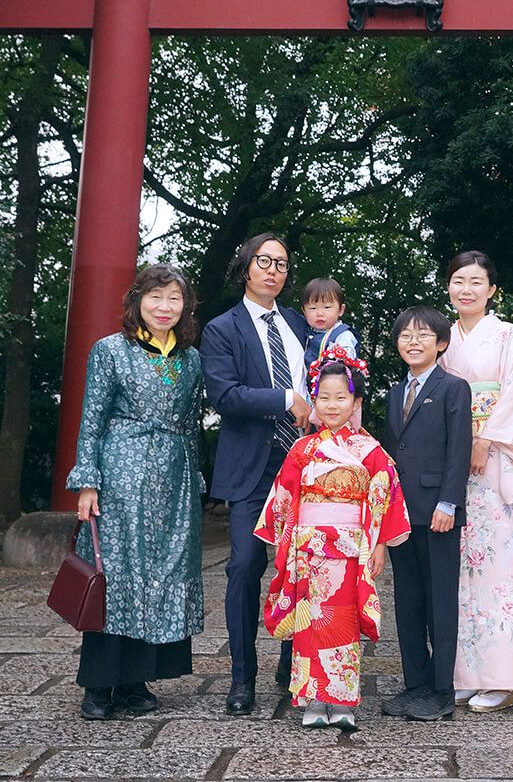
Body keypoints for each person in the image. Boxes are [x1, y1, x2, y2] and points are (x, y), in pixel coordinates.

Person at [67, 264, 204, 721]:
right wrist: (87, 481)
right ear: (137, 301)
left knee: (161, 575)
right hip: (121, 475)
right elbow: (92, 421)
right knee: (119, 575)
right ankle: (99, 686)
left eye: (174, 299)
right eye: (155, 298)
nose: (164, 307)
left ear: (185, 306)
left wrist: (196, 478)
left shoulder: (190, 358)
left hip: (172, 479)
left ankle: (134, 680)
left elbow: (192, 426)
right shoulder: (110, 351)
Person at [254, 347, 410, 730]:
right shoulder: (302, 449)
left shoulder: (370, 451)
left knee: (341, 623)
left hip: (349, 552)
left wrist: (379, 545)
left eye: (342, 397)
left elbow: (383, 498)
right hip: (308, 551)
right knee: (309, 624)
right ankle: (311, 699)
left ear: (356, 401)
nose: (332, 404)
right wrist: (286, 543)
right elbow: (286, 499)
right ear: (314, 400)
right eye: (324, 397)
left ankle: (341, 700)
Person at [199, 232, 311, 716]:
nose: (273, 270)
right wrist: (287, 399)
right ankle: (242, 677)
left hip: (302, 465)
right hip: (250, 466)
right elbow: (224, 395)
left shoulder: (298, 323)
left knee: (299, 570)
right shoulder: (221, 329)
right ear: (246, 267)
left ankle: (293, 670)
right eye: (264, 261)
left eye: (282, 264)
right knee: (245, 566)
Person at [440, 250, 513, 713]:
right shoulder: (441, 336)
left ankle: (503, 675)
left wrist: (484, 440)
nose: (467, 290)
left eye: (476, 282)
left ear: (492, 289)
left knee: (497, 567)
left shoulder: (507, 334)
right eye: (459, 281)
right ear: (448, 287)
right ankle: (464, 672)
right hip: (451, 461)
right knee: (457, 568)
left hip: (494, 459)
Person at [381, 306, 472, 721]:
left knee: (439, 601)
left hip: (438, 511)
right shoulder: (394, 393)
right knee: (409, 600)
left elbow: (459, 450)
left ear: (441, 343)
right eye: (405, 335)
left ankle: (441, 688)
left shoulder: (454, 388)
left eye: (422, 335)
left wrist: (449, 502)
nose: (413, 341)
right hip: (400, 512)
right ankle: (413, 683)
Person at [300, 276, 360, 371]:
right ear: (304, 312)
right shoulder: (302, 332)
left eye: (327, 307)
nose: (319, 313)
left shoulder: (343, 335)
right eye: (313, 308)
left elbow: (344, 366)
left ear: (341, 310)